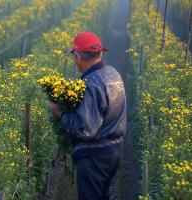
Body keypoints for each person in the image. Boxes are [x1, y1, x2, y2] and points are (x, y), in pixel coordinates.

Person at [48, 32, 126, 200]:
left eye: (75, 56)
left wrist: (59, 113)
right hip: (114, 151)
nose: (75, 60)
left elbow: (85, 128)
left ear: (79, 56)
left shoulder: (90, 83)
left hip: (94, 157)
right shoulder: (113, 73)